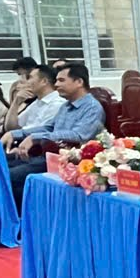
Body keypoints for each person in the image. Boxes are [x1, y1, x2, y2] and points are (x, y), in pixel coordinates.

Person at [6, 63, 106, 207]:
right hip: (50, 156)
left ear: (79, 82)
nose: (56, 84)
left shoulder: (91, 107)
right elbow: (49, 127)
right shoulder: (66, 106)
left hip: (70, 161)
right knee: (1, 167)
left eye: (61, 80)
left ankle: (21, 218)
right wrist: (16, 133)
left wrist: (37, 138)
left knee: (9, 176)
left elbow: (79, 135)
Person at [0, 65, 63, 143]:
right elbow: (10, 128)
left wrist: (14, 135)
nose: (27, 82)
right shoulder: (37, 102)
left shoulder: (57, 104)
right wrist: (16, 102)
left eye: (30, 77)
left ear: (44, 81)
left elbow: (42, 132)